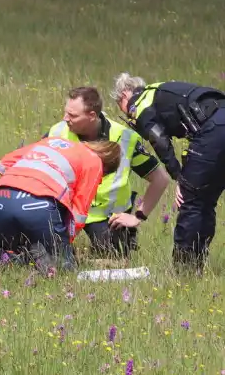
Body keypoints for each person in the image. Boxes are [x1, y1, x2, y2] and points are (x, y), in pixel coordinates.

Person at [112, 74, 225, 274]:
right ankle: (197, 264)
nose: (130, 117)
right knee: (205, 199)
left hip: (213, 129)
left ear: (124, 94)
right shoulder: (159, 90)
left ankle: (185, 271)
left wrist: (180, 178)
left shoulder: (138, 103)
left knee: (192, 200)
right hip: (218, 117)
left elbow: (159, 140)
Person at [43, 86, 170, 259]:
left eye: (72, 115)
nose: (66, 119)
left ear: (92, 116)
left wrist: (138, 216)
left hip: (107, 219)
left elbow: (160, 179)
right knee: (51, 258)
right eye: (66, 113)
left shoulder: (125, 138)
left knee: (114, 260)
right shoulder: (57, 132)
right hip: (66, 212)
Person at [0, 137, 122, 273]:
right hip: (37, 204)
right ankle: (41, 257)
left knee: (14, 259)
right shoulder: (94, 161)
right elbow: (79, 213)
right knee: (64, 269)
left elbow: (4, 164)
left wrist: (19, 185)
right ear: (105, 166)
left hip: (0, 200)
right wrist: (65, 245)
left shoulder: (51, 141)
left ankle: (23, 257)